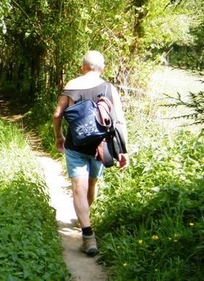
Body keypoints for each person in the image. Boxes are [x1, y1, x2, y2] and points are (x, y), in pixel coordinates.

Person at [52, 50, 129, 256]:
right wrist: (123, 151)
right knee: (92, 184)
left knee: (79, 188)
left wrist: (59, 136)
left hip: (75, 146)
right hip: (100, 148)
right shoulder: (109, 88)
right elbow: (119, 121)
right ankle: (85, 219)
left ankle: (88, 236)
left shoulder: (71, 86)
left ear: (82, 67)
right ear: (102, 69)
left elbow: (57, 114)